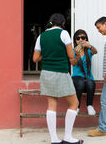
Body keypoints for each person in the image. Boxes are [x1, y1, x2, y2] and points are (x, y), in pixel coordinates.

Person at [33, 13, 84, 144]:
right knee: (74, 103)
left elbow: (35, 59)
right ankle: (67, 136)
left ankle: (54, 139)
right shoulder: (64, 33)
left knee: (51, 105)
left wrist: (48, 54)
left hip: (46, 73)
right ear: (62, 23)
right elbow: (71, 57)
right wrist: (80, 48)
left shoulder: (41, 36)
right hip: (60, 72)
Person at [72, 29, 98, 115]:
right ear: (75, 40)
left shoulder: (88, 50)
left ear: (86, 39)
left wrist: (89, 46)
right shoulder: (74, 50)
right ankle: (77, 106)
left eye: (83, 38)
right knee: (80, 83)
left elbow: (95, 51)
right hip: (76, 77)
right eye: (78, 38)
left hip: (87, 77)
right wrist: (78, 54)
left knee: (91, 83)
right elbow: (73, 63)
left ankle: (89, 106)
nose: (80, 40)